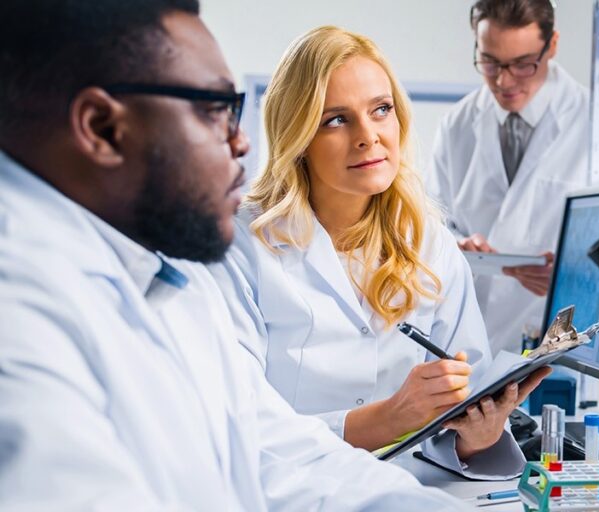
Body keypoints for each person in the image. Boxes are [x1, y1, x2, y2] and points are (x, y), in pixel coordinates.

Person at [0, 1, 469, 509]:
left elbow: (275, 450)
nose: (242, 143)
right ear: (102, 128)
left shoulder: (168, 274)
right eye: (213, 110)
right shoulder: (19, 307)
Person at [210, 26, 551, 480]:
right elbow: (236, 423)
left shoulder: (430, 242)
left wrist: (479, 434)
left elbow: (461, 418)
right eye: (336, 119)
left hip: (406, 493)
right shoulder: (240, 245)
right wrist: (388, 418)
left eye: (380, 110)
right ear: (298, 137)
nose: (368, 136)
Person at [427, 0, 599, 354]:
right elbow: (433, 229)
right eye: (490, 62)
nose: (503, 80)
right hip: (466, 341)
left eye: (523, 64)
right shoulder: (456, 125)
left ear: (551, 45)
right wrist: (458, 248)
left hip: (558, 346)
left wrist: (567, 273)